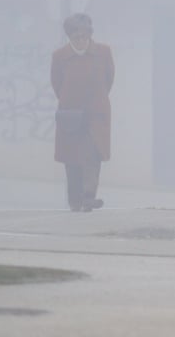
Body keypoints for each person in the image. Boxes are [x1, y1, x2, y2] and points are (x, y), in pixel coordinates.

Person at [51, 13, 115, 212]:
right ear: (69, 37)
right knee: (72, 160)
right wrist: (70, 102)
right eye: (75, 37)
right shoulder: (60, 56)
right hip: (71, 115)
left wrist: (97, 100)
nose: (80, 40)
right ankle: (75, 200)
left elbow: (109, 79)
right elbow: (56, 84)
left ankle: (89, 197)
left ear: (89, 34)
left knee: (92, 154)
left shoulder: (103, 53)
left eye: (84, 36)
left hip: (96, 114)